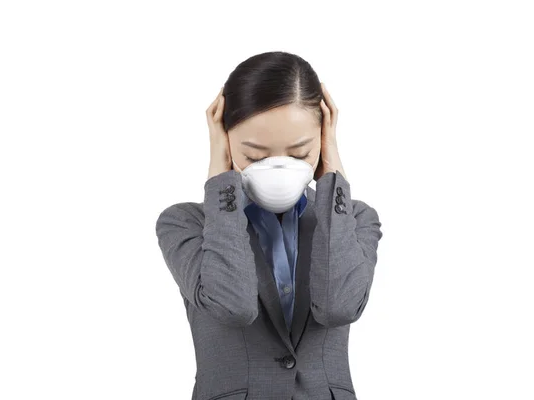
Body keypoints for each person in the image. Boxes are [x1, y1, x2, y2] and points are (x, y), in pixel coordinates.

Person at [155, 51, 383, 400]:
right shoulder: (184, 223)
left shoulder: (354, 219)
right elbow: (233, 306)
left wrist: (333, 180)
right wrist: (221, 178)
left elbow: (340, 306)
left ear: (322, 141)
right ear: (226, 141)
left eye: (299, 153)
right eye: (256, 156)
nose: (279, 169)